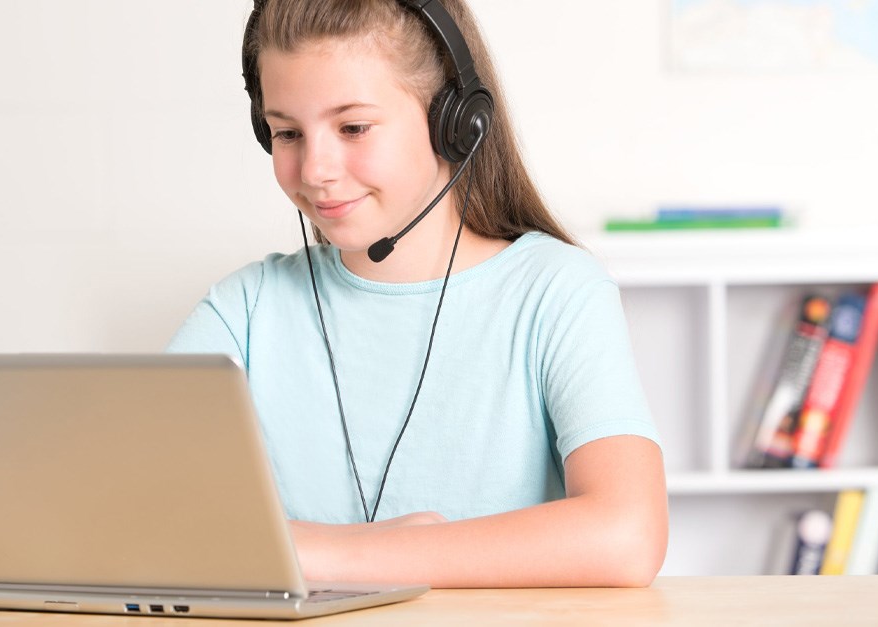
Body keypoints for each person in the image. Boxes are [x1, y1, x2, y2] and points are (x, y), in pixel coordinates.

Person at [168, 0, 668, 588]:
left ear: (455, 122)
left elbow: (627, 534)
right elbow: (120, 510)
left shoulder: (555, 291)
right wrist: (352, 545)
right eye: (287, 133)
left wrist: (319, 556)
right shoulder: (244, 311)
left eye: (353, 127)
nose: (315, 169)